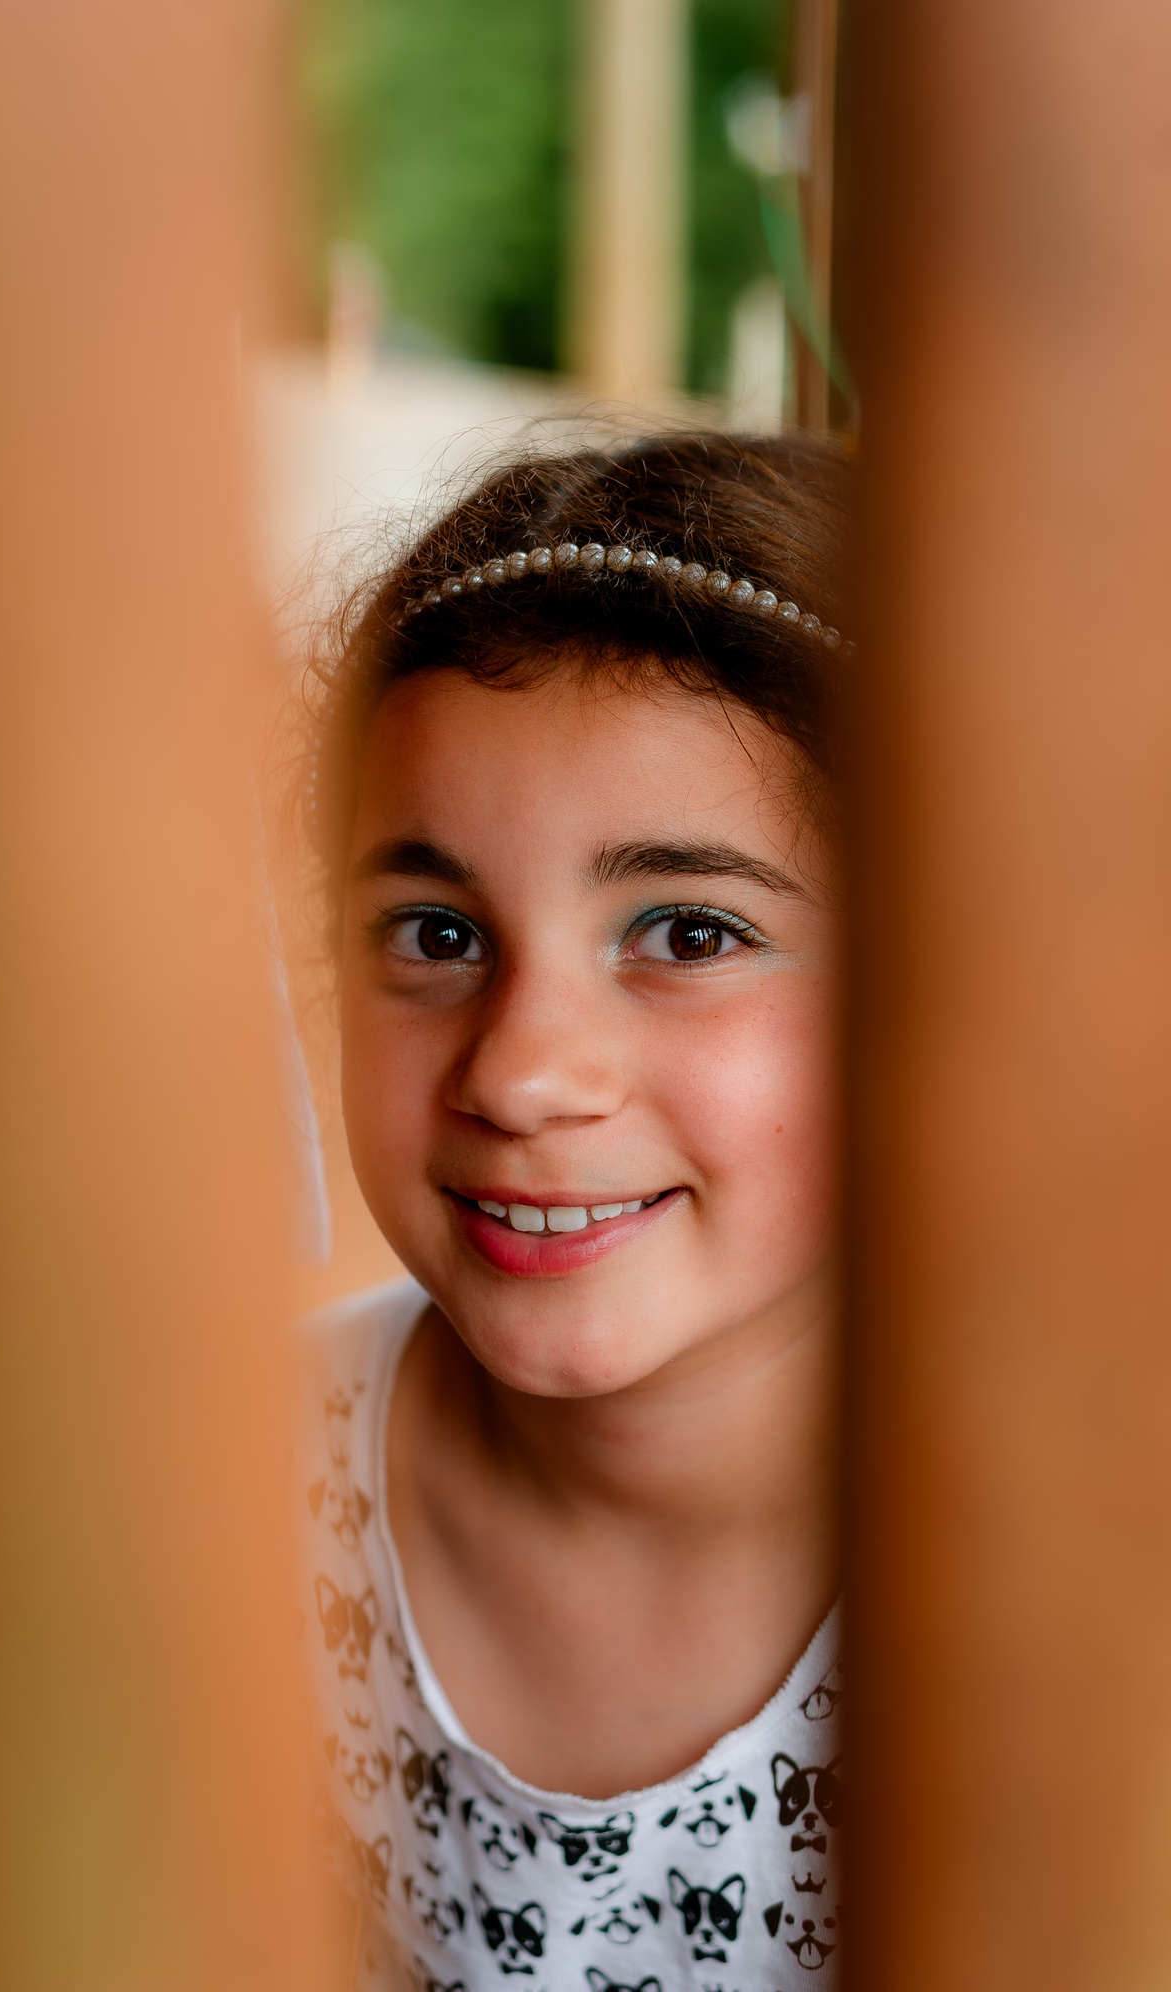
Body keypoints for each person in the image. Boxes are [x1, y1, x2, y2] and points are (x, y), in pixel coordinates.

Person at [295, 432, 850, 1992]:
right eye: (433, 932)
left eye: (689, 932)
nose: (522, 1073)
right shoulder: (218, 1493)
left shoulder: (1083, 1568)